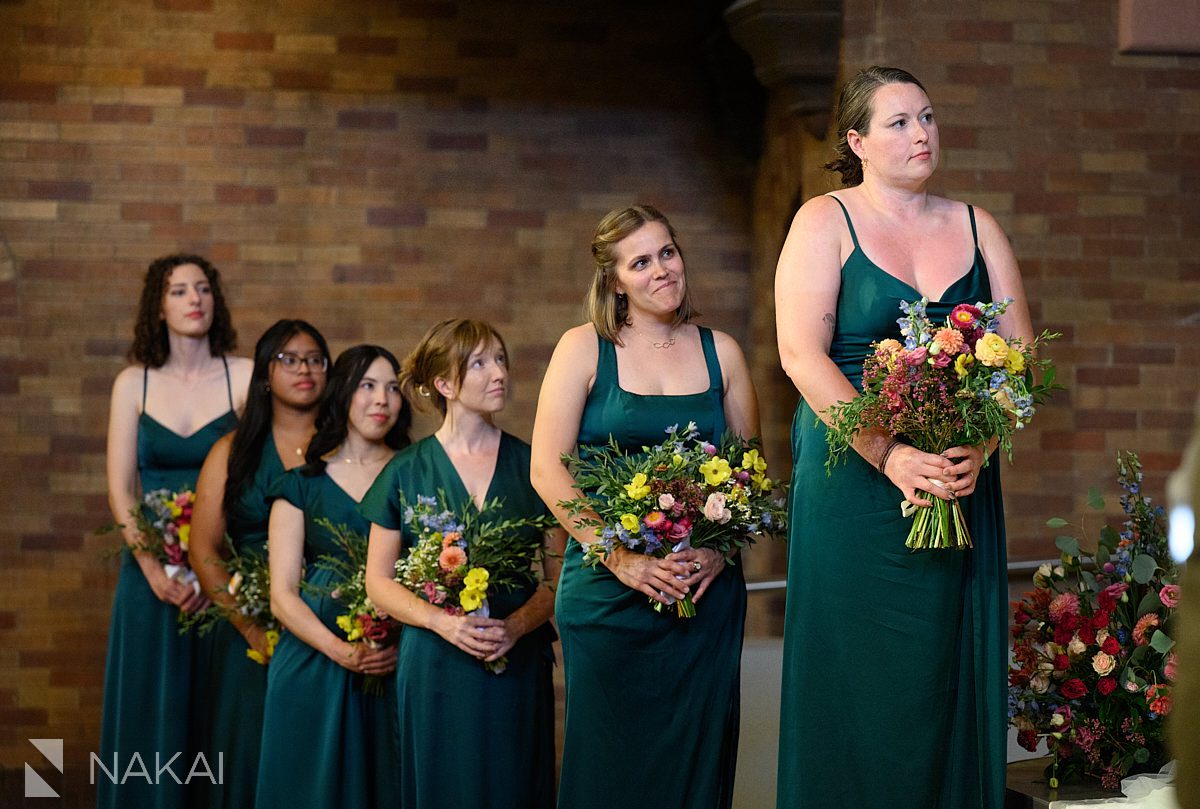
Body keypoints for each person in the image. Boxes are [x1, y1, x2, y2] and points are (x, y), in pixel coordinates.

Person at [774, 65, 1034, 809]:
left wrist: (979, 448)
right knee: (859, 677)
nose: (922, 133)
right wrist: (888, 453)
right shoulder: (824, 221)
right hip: (854, 482)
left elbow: (1022, 358)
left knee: (941, 674)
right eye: (898, 122)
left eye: (927, 116)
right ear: (856, 140)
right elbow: (800, 354)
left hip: (956, 477)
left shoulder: (980, 226)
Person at [530, 205, 760, 809]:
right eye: (641, 261)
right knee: (607, 772)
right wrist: (623, 560)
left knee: (696, 764)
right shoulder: (582, 349)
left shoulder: (724, 354)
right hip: (607, 597)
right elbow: (546, 469)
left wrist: (717, 552)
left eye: (668, 252)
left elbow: (750, 476)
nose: (662, 269)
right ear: (614, 281)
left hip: (702, 597)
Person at [362, 318, 565, 809]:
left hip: (514, 662)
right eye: (479, 363)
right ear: (445, 384)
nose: (498, 373)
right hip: (435, 664)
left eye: (500, 358)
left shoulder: (534, 466)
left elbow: (560, 579)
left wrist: (515, 627)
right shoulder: (405, 471)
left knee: (516, 786)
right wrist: (440, 623)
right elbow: (377, 581)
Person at [99, 254, 251, 809]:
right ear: (157, 307)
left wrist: (209, 566)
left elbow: (257, 477)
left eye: (204, 289)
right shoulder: (131, 383)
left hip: (224, 572)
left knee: (218, 708)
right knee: (149, 706)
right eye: (180, 291)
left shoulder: (245, 375)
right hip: (151, 580)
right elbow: (122, 489)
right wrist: (156, 571)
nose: (195, 299)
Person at [255, 345, 410, 809]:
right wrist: (342, 652)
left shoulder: (416, 473)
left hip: (393, 665)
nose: (381, 399)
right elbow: (281, 595)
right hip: (312, 665)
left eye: (393, 388)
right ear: (343, 393)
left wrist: (401, 645)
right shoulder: (300, 484)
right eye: (367, 385)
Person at [187, 319, 331, 809]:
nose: (305, 369)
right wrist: (251, 629)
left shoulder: (345, 448)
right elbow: (204, 551)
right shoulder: (233, 452)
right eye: (289, 359)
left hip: (334, 624)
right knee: (250, 751)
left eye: (315, 359)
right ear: (265, 375)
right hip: (252, 635)